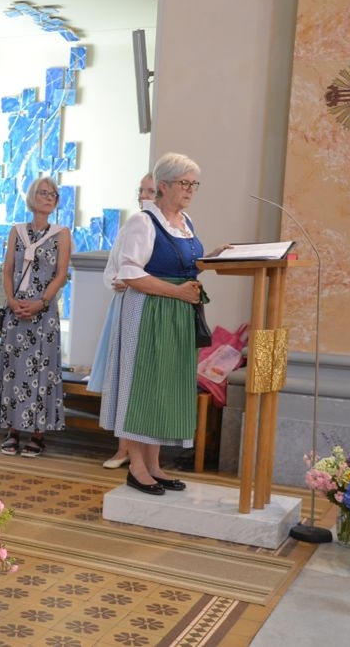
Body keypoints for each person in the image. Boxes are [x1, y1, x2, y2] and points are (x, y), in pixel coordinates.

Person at [95, 152, 223, 495]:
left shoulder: (185, 221)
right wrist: (177, 292)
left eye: (194, 184)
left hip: (176, 312)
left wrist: (212, 260)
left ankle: (154, 465)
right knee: (144, 386)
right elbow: (130, 272)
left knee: (163, 386)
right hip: (148, 310)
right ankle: (137, 467)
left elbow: (183, 264)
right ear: (163, 185)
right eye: (184, 183)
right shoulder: (143, 221)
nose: (190, 189)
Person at [0, 176, 72, 458]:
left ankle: (38, 435)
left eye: (53, 194)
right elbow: (7, 270)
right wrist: (12, 301)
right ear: (32, 197)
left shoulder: (61, 233)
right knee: (14, 369)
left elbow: (61, 274)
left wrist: (41, 302)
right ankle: (12, 431)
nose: (49, 197)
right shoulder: (17, 231)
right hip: (16, 311)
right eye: (43, 193)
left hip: (43, 313)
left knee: (40, 370)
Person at [92, 172, 156, 469]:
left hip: (146, 304)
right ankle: (122, 449)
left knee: (139, 378)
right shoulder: (133, 224)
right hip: (122, 305)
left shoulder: (161, 227)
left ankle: (143, 452)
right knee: (121, 374)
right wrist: (115, 280)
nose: (144, 196)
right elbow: (113, 265)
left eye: (150, 191)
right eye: (141, 190)